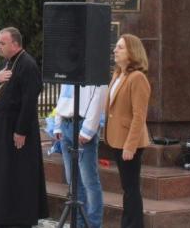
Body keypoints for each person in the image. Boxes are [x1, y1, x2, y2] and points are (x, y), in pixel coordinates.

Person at [0, 27, 49, 227]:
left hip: (18, 129)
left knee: (19, 173)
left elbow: (29, 101)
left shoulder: (27, 65)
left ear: (15, 44)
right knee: (4, 172)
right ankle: (4, 214)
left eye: (2, 43)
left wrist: (21, 130)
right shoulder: (6, 63)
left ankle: (20, 217)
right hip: (2, 128)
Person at [105, 34, 151, 228]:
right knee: (127, 187)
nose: (115, 50)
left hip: (128, 143)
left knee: (131, 188)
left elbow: (139, 116)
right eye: (116, 47)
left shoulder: (137, 78)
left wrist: (130, 145)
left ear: (132, 52)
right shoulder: (118, 74)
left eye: (120, 47)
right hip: (116, 139)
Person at [54, 77, 108, 228]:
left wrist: (88, 130)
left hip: (82, 124)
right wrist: (57, 124)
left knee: (89, 180)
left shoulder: (94, 68)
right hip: (66, 123)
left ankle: (93, 224)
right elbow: (63, 96)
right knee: (73, 180)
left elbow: (98, 99)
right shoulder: (71, 66)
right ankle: (78, 224)